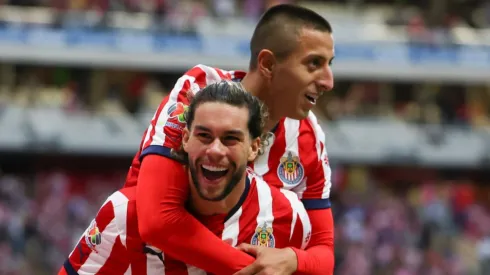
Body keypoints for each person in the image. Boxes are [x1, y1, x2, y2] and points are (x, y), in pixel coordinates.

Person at [128, 4, 336, 275]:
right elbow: (158, 222)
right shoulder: (198, 92)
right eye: (314, 64)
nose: (328, 81)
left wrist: (293, 260)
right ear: (268, 64)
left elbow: (323, 253)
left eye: (328, 65)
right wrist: (254, 269)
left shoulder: (309, 135)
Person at [59, 82, 312, 275]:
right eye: (204, 136)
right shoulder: (125, 213)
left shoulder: (288, 217)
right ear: (185, 139)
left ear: (254, 148)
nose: (215, 150)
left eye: (230, 139)